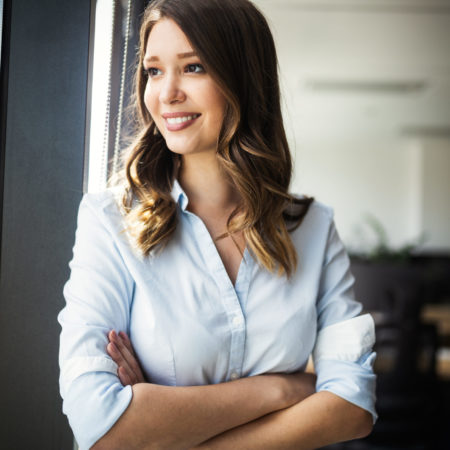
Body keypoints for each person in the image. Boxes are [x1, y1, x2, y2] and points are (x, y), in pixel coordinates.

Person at [58, 0, 377, 448]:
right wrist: (286, 388)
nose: (166, 93)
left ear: (244, 80)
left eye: (193, 68)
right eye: (153, 71)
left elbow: (354, 408)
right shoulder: (109, 222)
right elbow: (100, 428)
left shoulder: (314, 228)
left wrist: (161, 422)